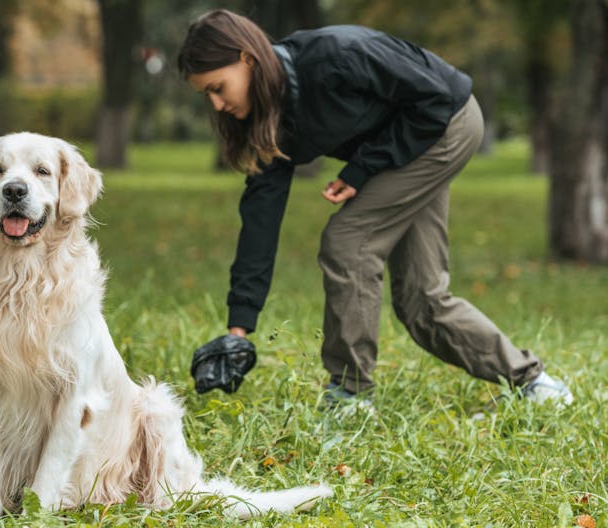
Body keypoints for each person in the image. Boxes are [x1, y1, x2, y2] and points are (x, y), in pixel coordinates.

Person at [178, 9, 573, 409]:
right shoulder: (270, 117)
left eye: (218, 88)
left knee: (348, 241)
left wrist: (361, 169)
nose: (217, 104)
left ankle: (349, 396)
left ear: (247, 59)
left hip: (445, 124)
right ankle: (536, 384)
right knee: (422, 300)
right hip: (407, 142)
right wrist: (238, 330)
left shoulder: (335, 57)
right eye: (206, 95)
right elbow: (260, 219)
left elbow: (434, 100)